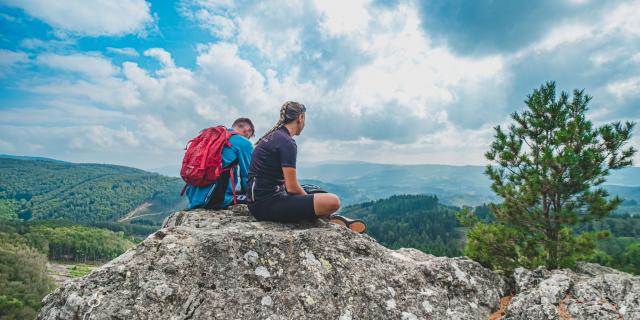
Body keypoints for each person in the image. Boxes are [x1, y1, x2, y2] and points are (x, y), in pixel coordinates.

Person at [246, 101, 365, 233]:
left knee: (312, 189)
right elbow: (292, 188)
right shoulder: (287, 142)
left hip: (256, 202)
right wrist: (306, 199)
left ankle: (330, 218)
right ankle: (329, 218)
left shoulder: (273, 137)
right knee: (333, 201)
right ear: (300, 117)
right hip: (267, 206)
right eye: (304, 119)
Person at [186, 117, 255, 209]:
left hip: (193, 196)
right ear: (248, 131)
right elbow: (248, 175)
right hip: (214, 199)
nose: (248, 138)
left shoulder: (218, 137)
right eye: (250, 136)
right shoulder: (245, 143)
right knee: (257, 198)